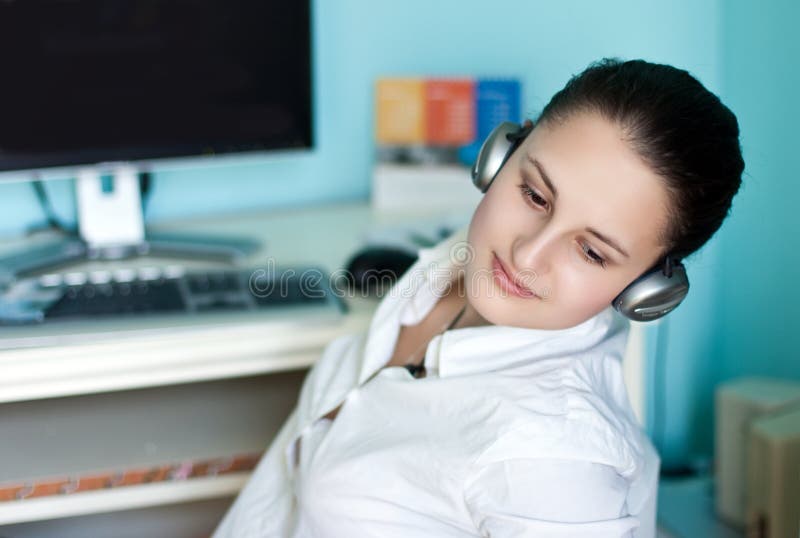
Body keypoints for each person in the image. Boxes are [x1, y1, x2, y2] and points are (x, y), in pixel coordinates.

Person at [212, 57, 744, 537]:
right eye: (535, 195)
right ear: (502, 154)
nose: (526, 254)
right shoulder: (453, 266)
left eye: (592, 252)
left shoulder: (558, 466)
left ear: (648, 290)